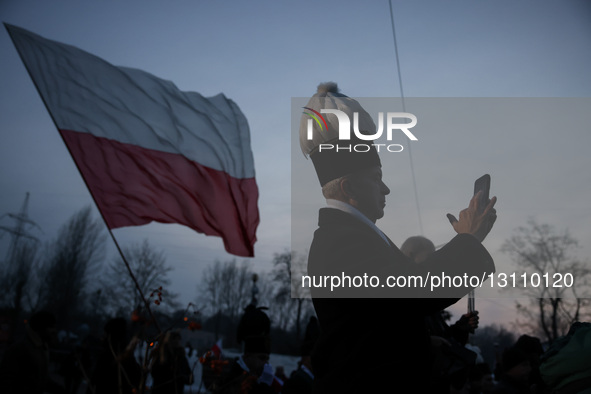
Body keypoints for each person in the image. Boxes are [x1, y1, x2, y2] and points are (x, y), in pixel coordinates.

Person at [299, 82, 497, 393]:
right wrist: (469, 240)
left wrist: (424, 341)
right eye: (376, 177)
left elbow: (376, 322)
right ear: (349, 188)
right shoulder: (340, 240)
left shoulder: (350, 235)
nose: (386, 188)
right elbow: (412, 292)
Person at [0, 310, 64, 393]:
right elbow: (6, 381)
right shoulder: (20, 348)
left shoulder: (42, 347)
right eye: (51, 327)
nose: (55, 331)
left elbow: (40, 377)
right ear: (41, 328)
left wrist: (57, 388)